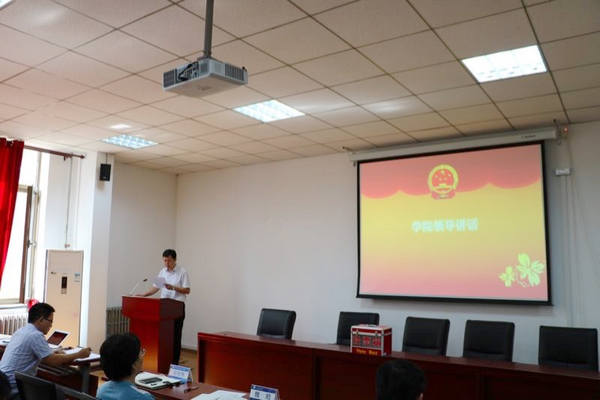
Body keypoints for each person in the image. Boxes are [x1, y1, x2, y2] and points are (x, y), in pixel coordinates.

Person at [0, 303, 92, 399]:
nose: (51, 325)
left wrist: (51, 353)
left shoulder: (21, 331)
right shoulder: (36, 335)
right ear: (41, 320)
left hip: (3, 385)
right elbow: (52, 361)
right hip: (13, 390)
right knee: (58, 394)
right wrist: (78, 354)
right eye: (50, 321)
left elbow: (42, 355)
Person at [138, 249, 190, 364]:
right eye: (165, 261)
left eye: (169, 261)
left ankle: (174, 363)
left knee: (175, 337)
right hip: (164, 308)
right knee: (164, 336)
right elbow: (156, 287)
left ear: (175, 259)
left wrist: (173, 287)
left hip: (177, 308)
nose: (166, 263)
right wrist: (144, 294)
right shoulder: (162, 272)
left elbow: (187, 290)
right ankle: (164, 361)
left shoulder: (182, 272)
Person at [97, 333, 153, 400]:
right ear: (133, 364)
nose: (143, 355)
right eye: (141, 352)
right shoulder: (143, 397)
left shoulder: (102, 390)